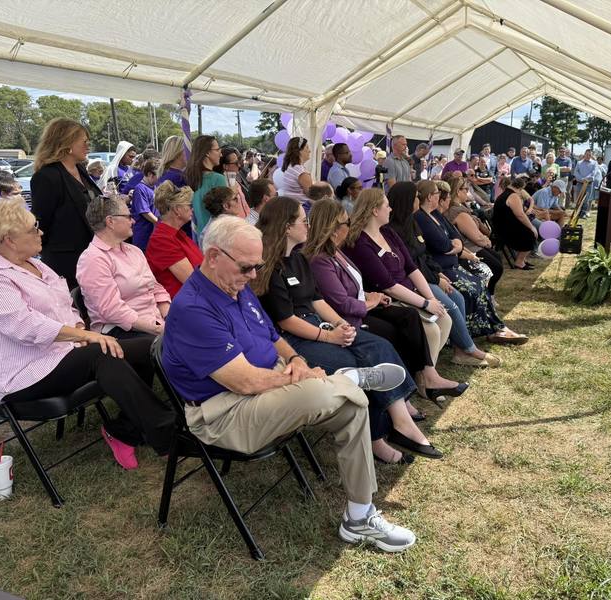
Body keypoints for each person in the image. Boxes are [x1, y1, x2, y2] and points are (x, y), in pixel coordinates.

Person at [160, 215, 417, 551]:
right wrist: (299, 375)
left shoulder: (236, 287)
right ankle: (344, 380)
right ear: (212, 257)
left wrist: (296, 361)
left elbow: (271, 335)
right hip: (225, 413)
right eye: (246, 267)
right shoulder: (194, 308)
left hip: (268, 387)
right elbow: (246, 382)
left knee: (353, 407)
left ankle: (359, 516)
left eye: (257, 266)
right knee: (321, 390)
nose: (254, 275)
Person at [0, 198, 175, 470]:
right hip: (24, 372)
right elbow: (24, 325)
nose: (41, 232)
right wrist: (89, 337)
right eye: (34, 228)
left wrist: (81, 330)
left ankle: (139, 427)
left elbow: (66, 307)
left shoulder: (37, 265)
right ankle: (168, 431)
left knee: (149, 346)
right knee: (103, 352)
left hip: (62, 355)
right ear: (9, 239)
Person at [305, 198, 463, 419]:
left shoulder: (340, 250)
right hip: (351, 317)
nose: (349, 226)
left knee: (411, 318)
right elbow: (341, 302)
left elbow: (359, 284)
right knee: (394, 333)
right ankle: (406, 394)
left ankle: (424, 378)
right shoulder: (323, 259)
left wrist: (371, 296)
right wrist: (371, 301)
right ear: (333, 229)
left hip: (366, 306)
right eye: (345, 222)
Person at [349, 186, 500, 370]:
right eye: (386, 206)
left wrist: (431, 298)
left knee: (445, 317)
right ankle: (427, 373)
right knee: (434, 326)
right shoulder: (361, 243)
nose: (390, 209)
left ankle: (428, 372)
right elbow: (388, 286)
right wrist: (427, 303)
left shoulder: (388, 232)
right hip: (392, 299)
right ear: (374, 210)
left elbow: (412, 267)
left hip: (412, 288)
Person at [415, 180, 526, 344]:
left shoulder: (435, 214)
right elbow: (442, 244)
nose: (440, 197)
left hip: (452, 265)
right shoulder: (421, 217)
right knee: (473, 288)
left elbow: (455, 236)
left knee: (480, 283)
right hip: (442, 269)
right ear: (430, 196)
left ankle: (495, 328)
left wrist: (456, 244)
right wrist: (453, 245)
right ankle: (485, 330)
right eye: (437, 194)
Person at [76, 196, 170, 339]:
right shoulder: (93, 259)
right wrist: (158, 330)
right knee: (184, 346)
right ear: (110, 222)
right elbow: (112, 310)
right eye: (128, 216)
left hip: (152, 323)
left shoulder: (134, 251)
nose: (133, 221)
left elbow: (155, 288)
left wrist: (169, 317)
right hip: (118, 331)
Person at [31, 118, 100, 289]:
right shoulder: (47, 176)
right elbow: (41, 222)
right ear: (67, 143)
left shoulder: (81, 170)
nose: (88, 146)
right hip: (65, 259)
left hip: (90, 253)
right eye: (84, 142)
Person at [440, 179, 504, 298]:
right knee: (496, 267)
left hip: (469, 246)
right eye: (466, 190)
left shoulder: (460, 208)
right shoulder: (458, 212)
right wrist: (487, 242)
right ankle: (488, 296)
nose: (468, 192)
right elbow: (476, 237)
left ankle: (489, 295)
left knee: (497, 260)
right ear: (458, 192)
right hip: (469, 247)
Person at [146, 181, 203, 298]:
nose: (192, 209)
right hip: (186, 303)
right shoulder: (161, 240)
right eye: (189, 205)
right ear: (177, 209)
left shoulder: (177, 233)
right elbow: (192, 280)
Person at [494, 176, 539, 270]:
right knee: (531, 234)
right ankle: (519, 262)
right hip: (504, 230)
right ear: (520, 188)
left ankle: (522, 260)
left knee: (528, 230)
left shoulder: (507, 193)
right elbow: (520, 215)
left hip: (502, 226)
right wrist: (532, 227)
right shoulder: (513, 195)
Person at [185, 135, 226, 235]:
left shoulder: (191, 177)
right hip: (217, 235)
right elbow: (225, 212)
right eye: (217, 150)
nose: (220, 155)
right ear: (207, 152)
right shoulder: (218, 179)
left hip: (200, 235)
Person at [130, 159, 160, 251]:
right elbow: (145, 212)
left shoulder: (154, 187)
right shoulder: (140, 189)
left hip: (152, 233)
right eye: (158, 176)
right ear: (151, 175)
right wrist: (160, 223)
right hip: (143, 235)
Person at [280, 137, 314, 212]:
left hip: (292, 207)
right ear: (299, 151)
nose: (309, 151)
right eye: (307, 147)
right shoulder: (301, 172)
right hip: (303, 209)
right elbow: (312, 195)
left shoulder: (291, 167)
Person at [215, 146, 250, 218]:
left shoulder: (235, 182)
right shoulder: (221, 186)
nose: (239, 165)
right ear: (225, 166)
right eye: (236, 163)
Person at [573, 149, 598, 218]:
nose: (588, 156)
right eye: (587, 154)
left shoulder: (594, 163)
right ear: (584, 154)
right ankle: (577, 213)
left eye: (590, 155)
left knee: (586, 199)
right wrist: (582, 179)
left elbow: (594, 173)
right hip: (579, 183)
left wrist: (586, 179)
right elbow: (576, 172)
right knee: (579, 198)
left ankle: (583, 213)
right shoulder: (579, 163)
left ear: (591, 155)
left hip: (589, 184)